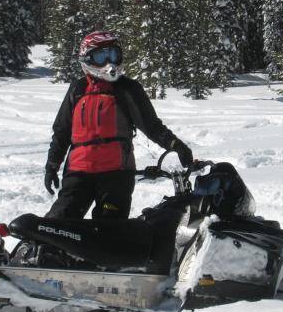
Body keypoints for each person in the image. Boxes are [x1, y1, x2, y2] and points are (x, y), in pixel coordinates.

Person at [44, 30, 193, 220]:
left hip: (116, 175)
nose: (110, 63)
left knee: (109, 235)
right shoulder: (77, 89)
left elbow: (152, 126)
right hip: (78, 173)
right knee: (58, 227)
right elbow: (61, 132)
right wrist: (52, 166)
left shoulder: (128, 89)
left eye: (113, 55)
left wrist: (176, 145)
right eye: (102, 57)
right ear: (87, 59)